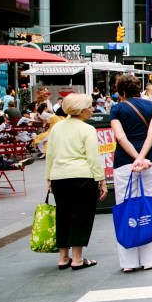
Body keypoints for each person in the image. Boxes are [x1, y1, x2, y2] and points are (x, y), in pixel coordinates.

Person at [45, 94, 107, 271]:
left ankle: (63, 257)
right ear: (81, 109)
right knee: (80, 215)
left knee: (63, 215)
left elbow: (50, 154)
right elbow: (93, 157)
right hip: (82, 176)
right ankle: (77, 258)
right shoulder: (87, 129)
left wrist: (49, 177)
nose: (92, 110)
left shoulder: (57, 128)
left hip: (59, 177)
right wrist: (101, 180)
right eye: (89, 107)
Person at [109, 74, 152, 272]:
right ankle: (150, 259)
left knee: (125, 207)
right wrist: (143, 156)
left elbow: (120, 137)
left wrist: (135, 158)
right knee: (150, 204)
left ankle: (128, 262)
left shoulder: (117, 109)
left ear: (121, 91)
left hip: (125, 163)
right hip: (150, 160)